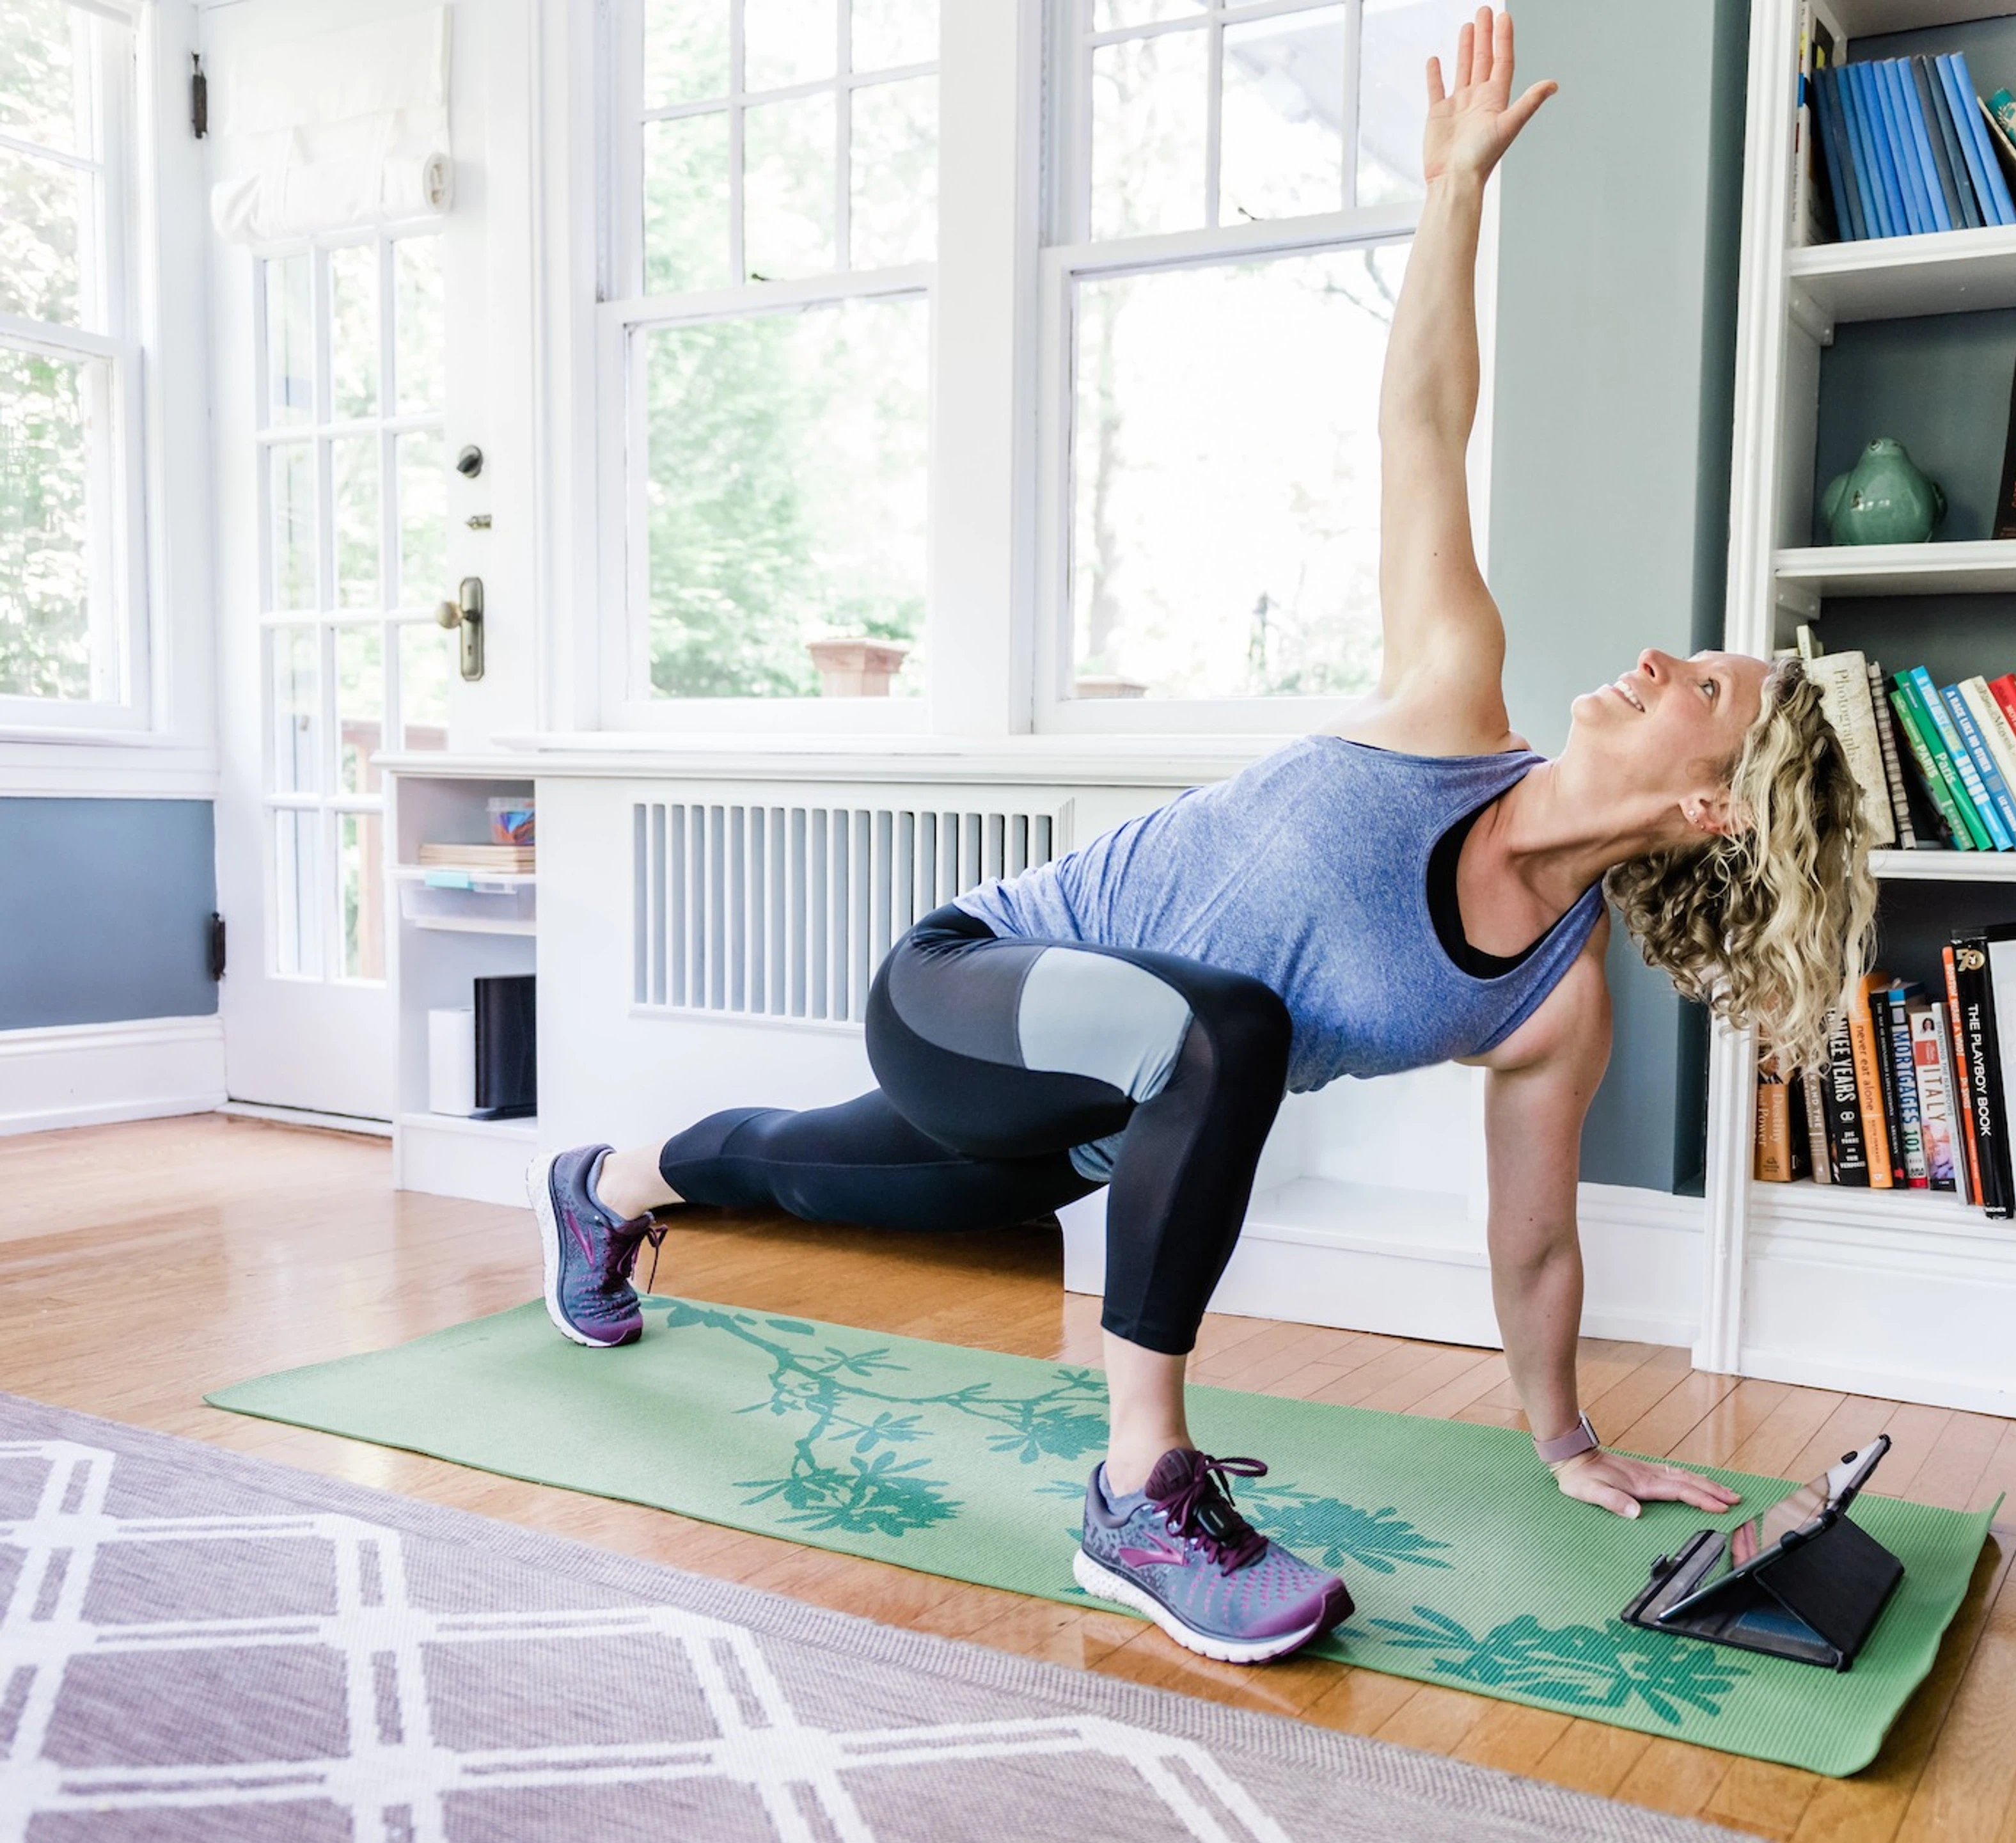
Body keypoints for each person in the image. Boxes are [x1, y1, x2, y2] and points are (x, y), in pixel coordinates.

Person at [528, 7, 1877, 1668]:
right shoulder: (1454, 706)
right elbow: (1425, 432)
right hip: (973, 980)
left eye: (1710, 690)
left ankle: (598, 1189)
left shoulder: (1550, 1003)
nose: (1664, 660)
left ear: (1709, 807)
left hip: (1100, 1126)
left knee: (791, 1169)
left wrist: (1566, 1439)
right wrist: (1452, 192)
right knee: (1227, 1025)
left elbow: (1532, 1239)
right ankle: (1140, 1490)